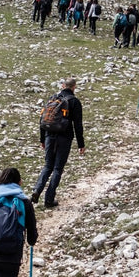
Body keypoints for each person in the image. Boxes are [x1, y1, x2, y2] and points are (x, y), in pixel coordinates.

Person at [31, 77, 85, 208]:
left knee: (48, 165)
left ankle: (37, 190)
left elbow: (43, 119)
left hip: (49, 135)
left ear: (62, 85)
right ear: (74, 87)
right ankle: (49, 199)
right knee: (57, 168)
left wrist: (42, 139)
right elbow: (78, 125)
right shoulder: (74, 102)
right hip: (64, 138)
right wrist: (81, 144)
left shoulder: (52, 98)